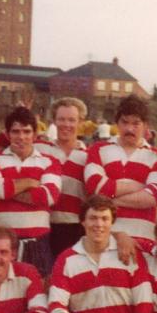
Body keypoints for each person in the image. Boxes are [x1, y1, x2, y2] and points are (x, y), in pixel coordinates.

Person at [0, 106, 61, 279]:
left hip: (36, 241)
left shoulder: (49, 162)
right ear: (7, 133)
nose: (21, 137)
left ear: (35, 134)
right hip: (0, 243)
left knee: (38, 292)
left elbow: (48, 196)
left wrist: (8, 190)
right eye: (16, 131)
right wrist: (30, 182)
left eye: (27, 131)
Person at [84, 95, 157, 251]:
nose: (130, 129)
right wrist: (139, 186)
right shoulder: (98, 149)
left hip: (142, 239)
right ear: (117, 123)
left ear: (146, 126)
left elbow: (153, 197)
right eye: (125, 122)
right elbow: (94, 186)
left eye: (136, 123)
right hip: (104, 237)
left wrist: (107, 201)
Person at [35, 97, 90, 259]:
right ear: (54, 121)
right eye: (62, 119)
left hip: (76, 227)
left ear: (81, 122)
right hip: (43, 225)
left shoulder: (89, 156)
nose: (66, 125)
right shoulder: (39, 149)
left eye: (72, 120)